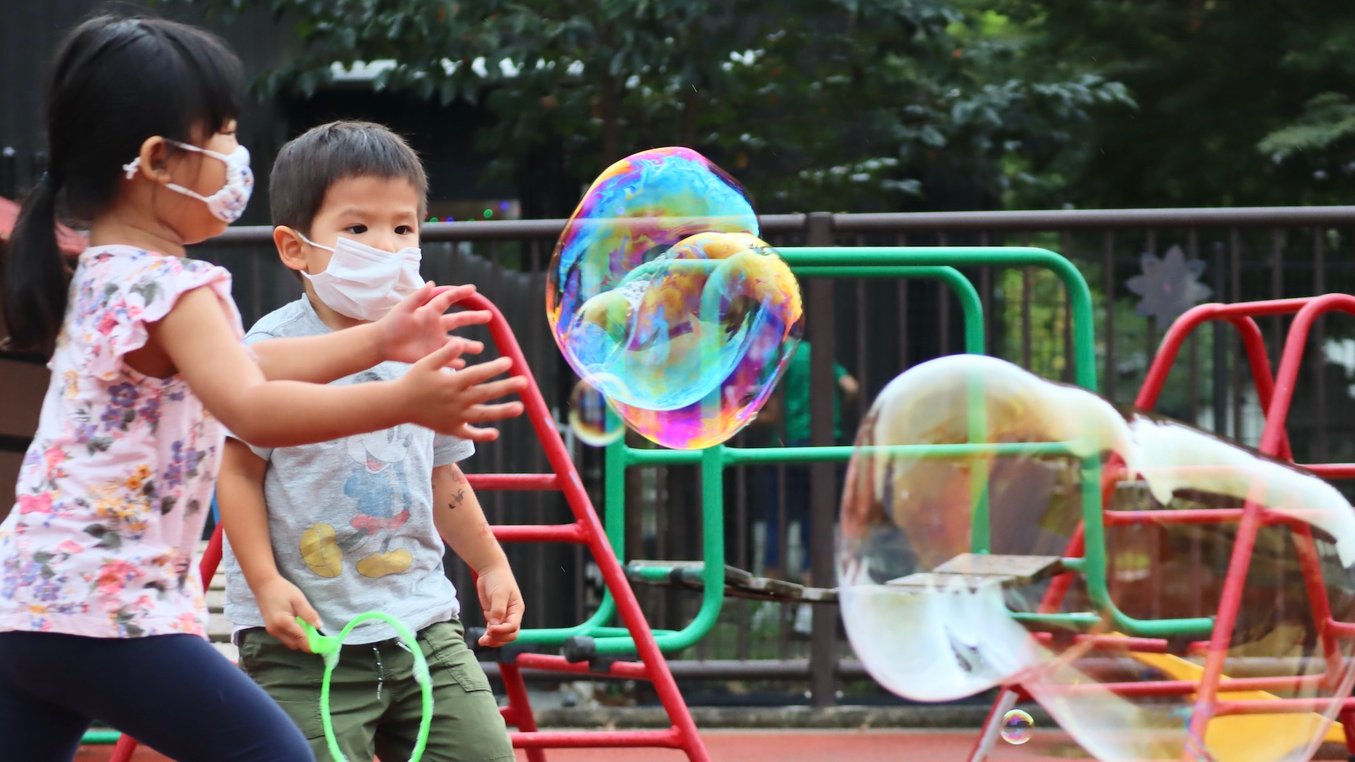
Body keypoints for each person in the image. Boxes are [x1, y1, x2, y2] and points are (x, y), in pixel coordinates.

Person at [0, 16, 524, 762]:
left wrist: (378, 342)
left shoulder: (105, 271)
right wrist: (401, 397)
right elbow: (252, 407)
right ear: (157, 160)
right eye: (220, 137)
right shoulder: (178, 288)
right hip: (107, 607)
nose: (235, 160)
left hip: (29, 600)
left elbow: (248, 370)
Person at [218, 121, 521, 762]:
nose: (385, 247)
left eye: (402, 228)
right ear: (295, 248)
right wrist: (266, 584)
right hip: (306, 636)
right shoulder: (271, 351)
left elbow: (444, 476)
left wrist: (490, 563)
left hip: (421, 624)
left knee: (483, 753)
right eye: (357, 229)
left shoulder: (429, 349)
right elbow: (236, 473)